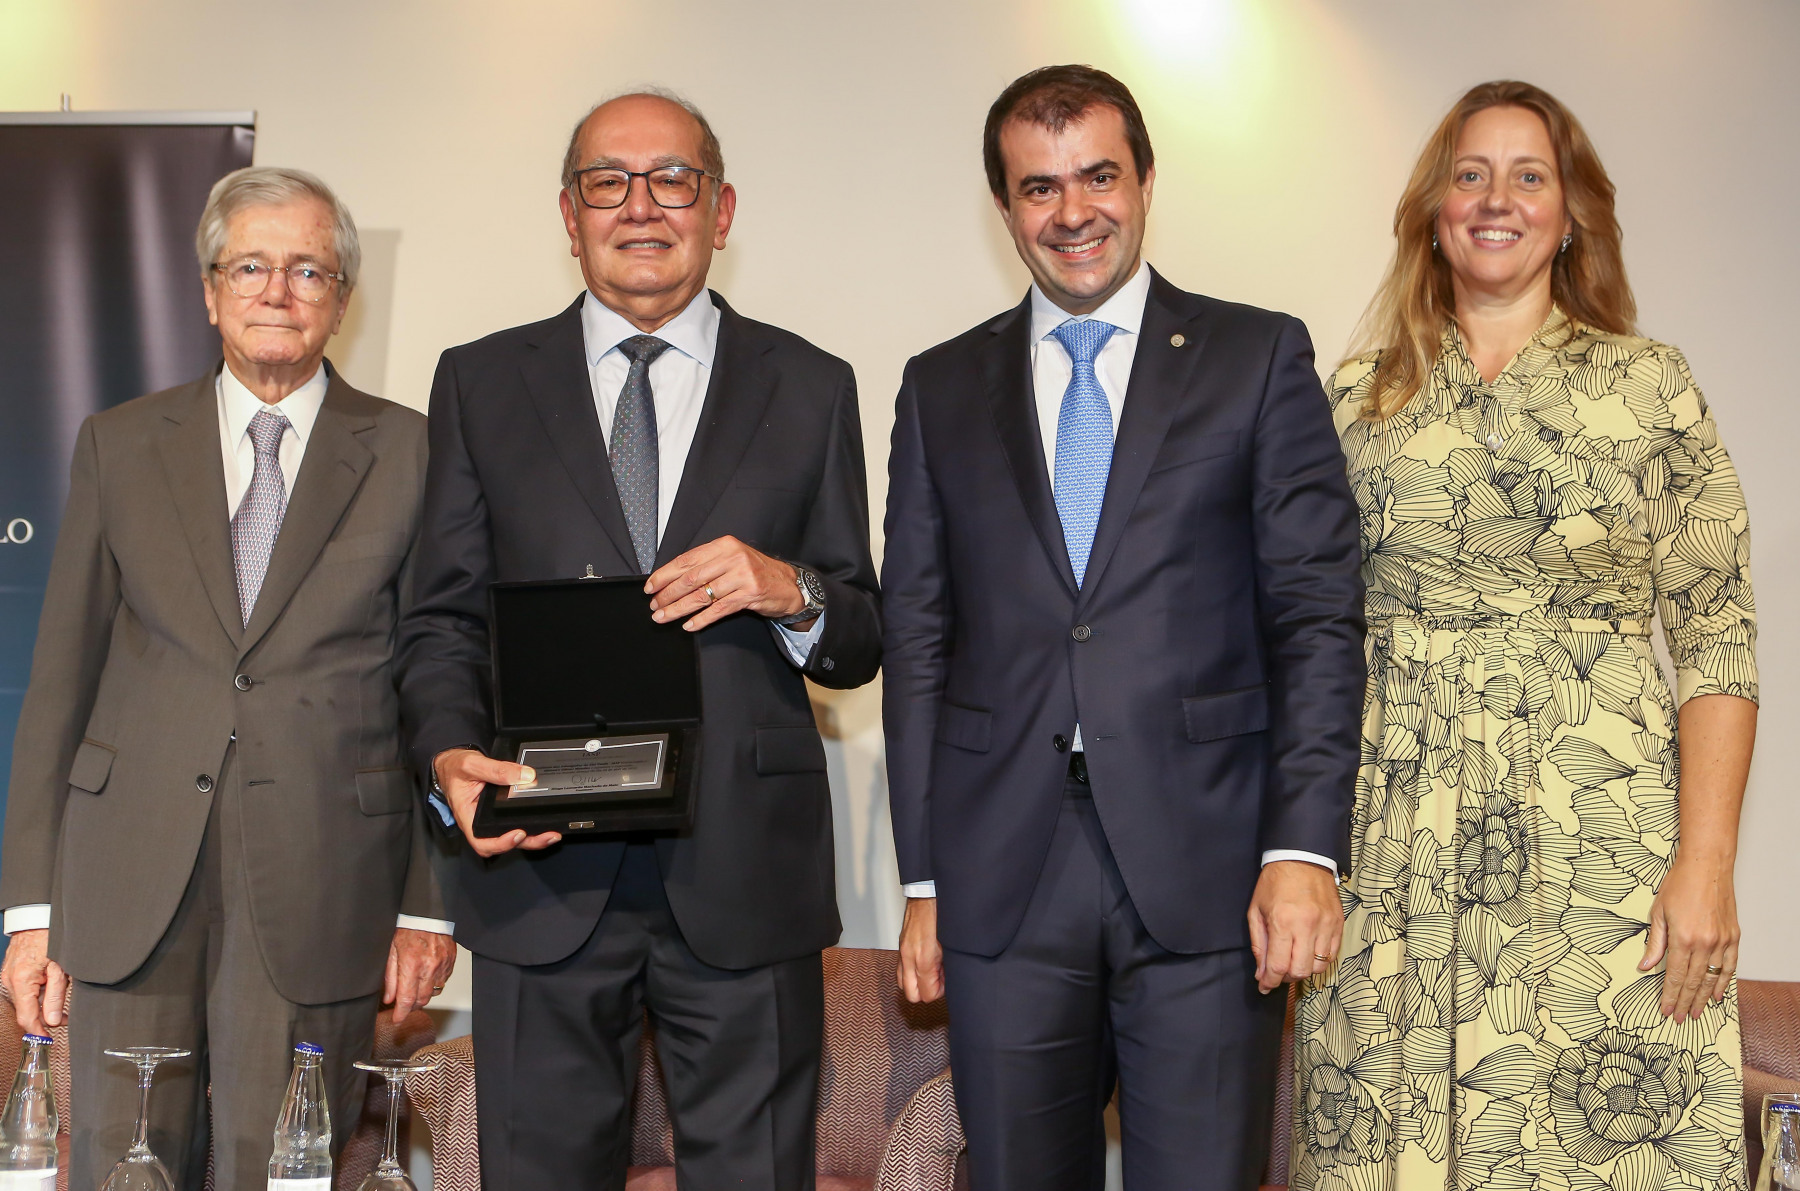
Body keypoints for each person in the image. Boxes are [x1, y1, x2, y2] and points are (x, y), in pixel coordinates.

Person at [882, 65, 1365, 1191]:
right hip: (1003, 874)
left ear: (1146, 179)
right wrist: (924, 881)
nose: (1073, 211)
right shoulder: (939, 386)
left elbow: (1315, 619)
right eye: (1039, 187)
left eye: (1098, 176)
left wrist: (1302, 850)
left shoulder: (1256, 357)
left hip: (1211, 866)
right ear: (1004, 206)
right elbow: (918, 638)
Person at [395, 90, 881, 1189]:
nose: (641, 206)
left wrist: (789, 588)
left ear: (722, 209)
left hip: (745, 868)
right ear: (569, 215)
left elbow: (859, 633)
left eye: (673, 180)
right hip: (539, 866)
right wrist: (448, 753)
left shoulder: (811, 384)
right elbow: (440, 618)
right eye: (608, 182)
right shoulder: (480, 380)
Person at [1294, 80, 1759, 1191]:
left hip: (1600, 837)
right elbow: (1301, 632)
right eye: (1471, 175)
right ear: (1433, 213)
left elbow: (1717, 634)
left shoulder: (1651, 386)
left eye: (1528, 176)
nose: (1496, 199)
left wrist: (1706, 864)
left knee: (1597, 1142)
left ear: (1571, 214)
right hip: (1394, 843)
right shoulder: (1354, 402)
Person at [0, 166, 455, 1190]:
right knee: (122, 1164)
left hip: (325, 880)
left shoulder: (414, 453)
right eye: (250, 267)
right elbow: (60, 680)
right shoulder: (118, 444)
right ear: (209, 292)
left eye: (308, 269)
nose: (277, 291)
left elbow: (441, 684)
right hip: (125, 876)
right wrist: (29, 908)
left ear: (343, 296)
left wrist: (429, 904)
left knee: (279, 1166)